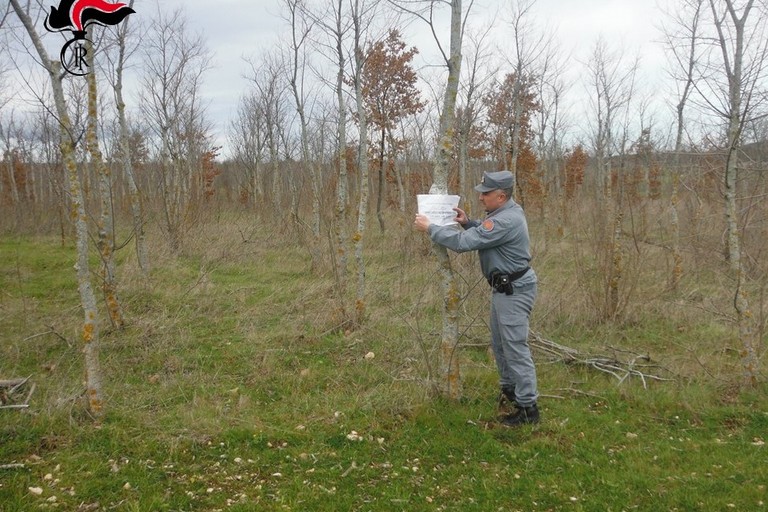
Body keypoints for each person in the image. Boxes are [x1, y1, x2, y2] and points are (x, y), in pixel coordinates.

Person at [413, 170, 540, 427]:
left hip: (514, 290)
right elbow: (485, 234)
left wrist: (431, 228)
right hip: (506, 289)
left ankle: (528, 410)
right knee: (501, 344)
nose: (481, 197)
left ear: (501, 196)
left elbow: (463, 243)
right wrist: (468, 222)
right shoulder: (505, 214)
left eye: (486, 193)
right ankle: (510, 392)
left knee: (514, 347)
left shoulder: (504, 220)